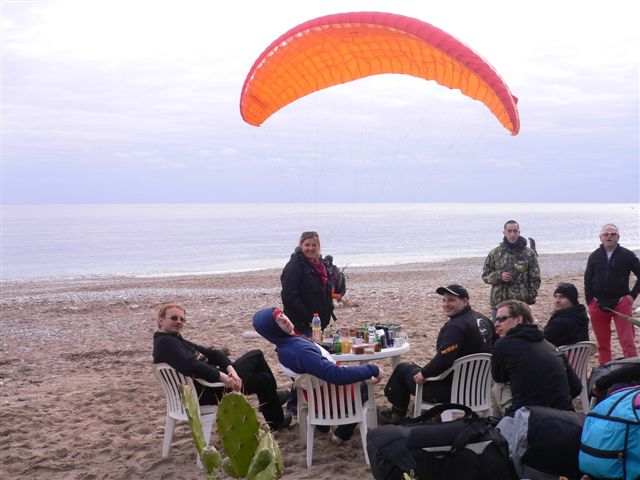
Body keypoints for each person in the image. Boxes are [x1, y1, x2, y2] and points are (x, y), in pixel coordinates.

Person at [252, 307, 383, 445]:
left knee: (353, 376)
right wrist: (372, 369)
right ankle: (342, 433)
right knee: (364, 385)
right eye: (278, 320)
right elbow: (336, 375)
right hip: (335, 402)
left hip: (316, 400)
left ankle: (323, 426)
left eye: (282, 314)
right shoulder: (299, 351)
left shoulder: (284, 347)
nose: (284, 319)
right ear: (272, 329)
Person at [153, 304, 291, 430]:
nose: (179, 322)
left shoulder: (174, 339)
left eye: (182, 319)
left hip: (212, 385)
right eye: (174, 318)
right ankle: (274, 404)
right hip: (210, 390)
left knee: (264, 379)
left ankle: (276, 417)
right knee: (256, 355)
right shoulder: (166, 343)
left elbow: (213, 353)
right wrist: (223, 377)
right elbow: (192, 366)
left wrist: (231, 371)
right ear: (161, 320)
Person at [379, 284, 495, 424]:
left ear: (465, 301)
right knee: (414, 368)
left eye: (451, 300)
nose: (446, 304)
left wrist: (424, 374)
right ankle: (433, 415)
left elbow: (444, 360)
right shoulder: (483, 319)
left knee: (402, 370)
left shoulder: (456, 326)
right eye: (444, 300)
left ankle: (397, 414)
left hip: (451, 392)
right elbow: (495, 346)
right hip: (479, 389)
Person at [491, 300, 582, 417]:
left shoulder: (503, 344)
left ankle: (500, 426)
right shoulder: (550, 346)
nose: (496, 324)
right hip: (564, 418)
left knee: (498, 387)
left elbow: (498, 377)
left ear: (518, 319)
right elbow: (576, 387)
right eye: (496, 319)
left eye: (502, 319)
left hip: (529, 419)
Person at [584, 223, 639, 365]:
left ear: (618, 237)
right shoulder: (594, 256)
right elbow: (587, 279)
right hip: (598, 303)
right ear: (600, 237)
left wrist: (631, 296)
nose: (609, 236)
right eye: (606, 234)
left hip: (621, 302)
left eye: (613, 234)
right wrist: (590, 301)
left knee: (628, 342)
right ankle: (604, 371)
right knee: (603, 344)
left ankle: (633, 373)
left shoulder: (627, 255)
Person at [482, 220, 541, 320]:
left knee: (523, 329)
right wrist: (499, 276)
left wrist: (529, 297)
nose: (512, 234)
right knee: (498, 329)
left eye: (515, 231)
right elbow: (485, 276)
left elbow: (535, 278)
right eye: (509, 231)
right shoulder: (495, 253)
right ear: (504, 233)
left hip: (520, 304)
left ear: (519, 232)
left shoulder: (529, 254)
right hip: (499, 303)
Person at [281, 231, 334, 336]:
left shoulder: (321, 266)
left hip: (319, 323)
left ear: (318, 247)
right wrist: (308, 317)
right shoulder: (294, 266)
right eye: (307, 245)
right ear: (301, 246)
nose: (311, 248)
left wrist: (328, 309)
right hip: (301, 324)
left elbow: (325, 292)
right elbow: (289, 297)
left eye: (314, 245)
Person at [543, 282, 590, 347]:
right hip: (580, 353)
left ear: (572, 300)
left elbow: (542, 341)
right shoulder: (581, 316)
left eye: (562, 297)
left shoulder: (559, 323)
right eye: (555, 296)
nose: (557, 300)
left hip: (560, 353)